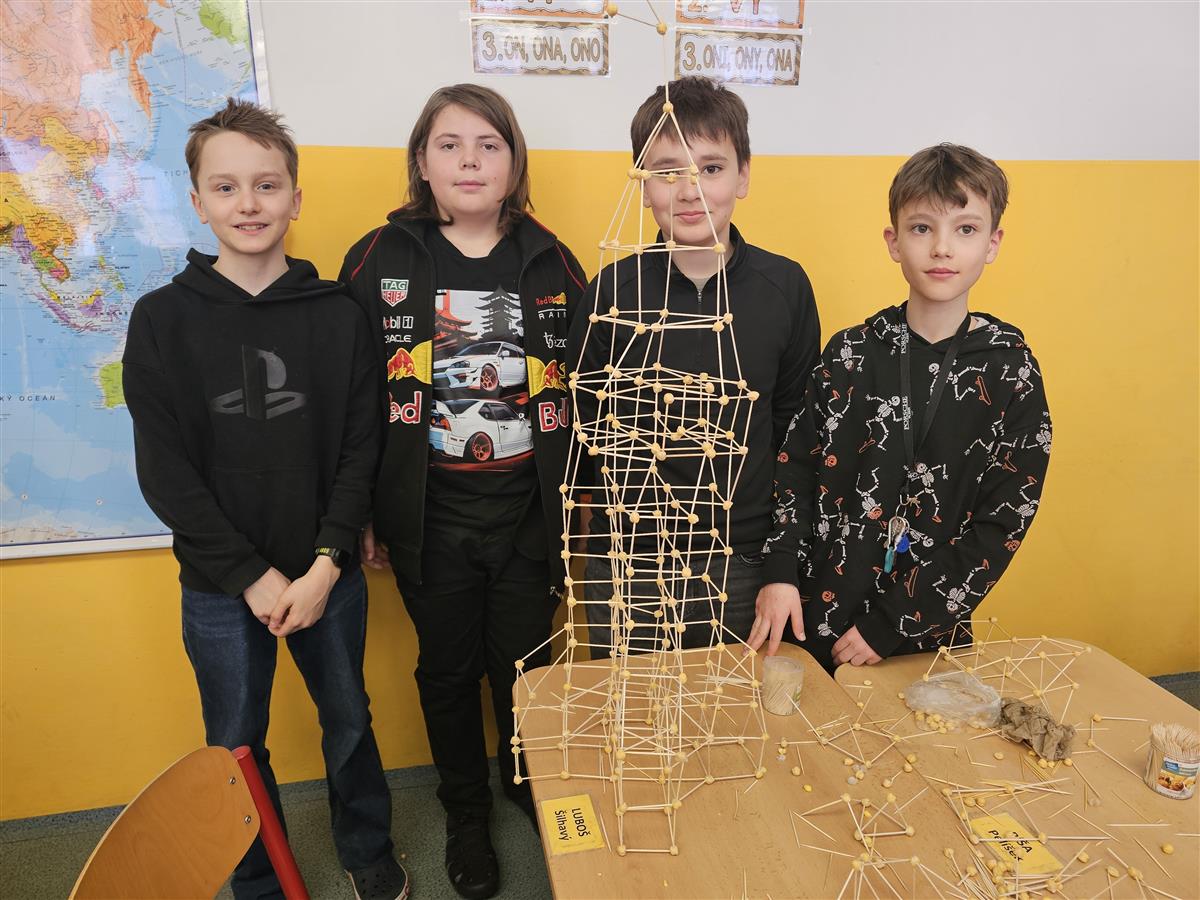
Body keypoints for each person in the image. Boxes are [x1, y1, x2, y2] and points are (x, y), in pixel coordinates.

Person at [123, 99, 407, 900]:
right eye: (226, 187)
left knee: (348, 720)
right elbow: (166, 473)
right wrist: (250, 575)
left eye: (267, 185)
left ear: (295, 198)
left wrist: (325, 564)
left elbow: (361, 449)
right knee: (235, 742)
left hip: (326, 574)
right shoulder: (161, 321)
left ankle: (367, 847)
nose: (248, 204)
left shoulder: (339, 315)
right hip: (221, 585)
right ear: (198, 201)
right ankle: (258, 879)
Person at [339, 84, 586, 900]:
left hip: (527, 517)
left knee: (525, 668)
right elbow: (355, 398)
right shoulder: (379, 259)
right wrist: (364, 512)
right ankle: (465, 812)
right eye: (449, 145)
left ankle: (525, 781)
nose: (469, 161)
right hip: (427, 518)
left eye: (488, 144)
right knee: (446, 673)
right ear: (422, 162)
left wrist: (579, 508)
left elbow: (585, 394)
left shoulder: (552, 261)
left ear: (514, 162)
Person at [750, 143, 1052, 671]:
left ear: (992, 244)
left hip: (926, 635)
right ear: (893, 242)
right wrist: (779, 573)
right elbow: (795, 465)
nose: (942, 248)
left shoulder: (1012, 371)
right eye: (921, 228)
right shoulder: (849, 353)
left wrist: (892, 622)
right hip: (813, 619)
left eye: (965, 229)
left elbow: (1002, 523)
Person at [569, 76, 821, 655]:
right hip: (630, 562)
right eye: (666, 171)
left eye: (710, 168)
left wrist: (783, 563)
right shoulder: (612, 291)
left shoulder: (785, 288)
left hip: (743, 562)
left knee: (739, 709)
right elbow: (585, 425)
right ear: (641, 183)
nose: (689, 190)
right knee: (632, 707)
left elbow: (796, 433)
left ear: (743, 176)